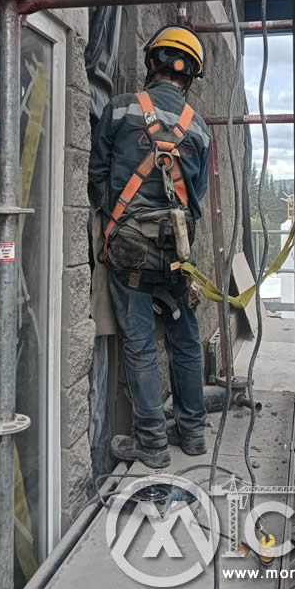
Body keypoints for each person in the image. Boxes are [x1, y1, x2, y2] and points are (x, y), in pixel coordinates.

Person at [89, 25, 211, 469]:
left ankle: (153, 444)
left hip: (128, 252)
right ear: (190, 77)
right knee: (184, 337)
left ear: (151, 63)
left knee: (140, 343)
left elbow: (97, 175)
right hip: (176, 252)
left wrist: (114, 221)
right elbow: (194, 199)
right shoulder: (198, 129)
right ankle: (193, 432)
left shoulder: (120, 110)